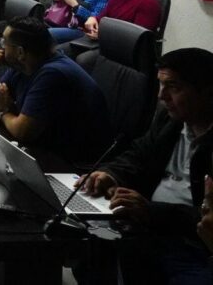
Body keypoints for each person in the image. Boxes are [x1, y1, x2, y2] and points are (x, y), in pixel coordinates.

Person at [79, 48, 213, 284]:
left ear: (207, 92)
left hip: (195, 244)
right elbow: (138, 154)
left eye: (173, 87)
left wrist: (152, 211)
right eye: (161, 85)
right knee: (86, 247)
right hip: (147, 228)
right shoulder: (170, 119)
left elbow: (208, 218)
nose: (162, 96)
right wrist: (109, 174)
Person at [0, 16, 112, 162]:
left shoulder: (52, 74)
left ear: (20, 52)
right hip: (46, 147)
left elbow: (22, 131)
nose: (1, 47)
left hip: (72, 162)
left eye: (4, 42)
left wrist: (4, 111)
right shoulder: (23, 65)